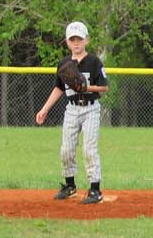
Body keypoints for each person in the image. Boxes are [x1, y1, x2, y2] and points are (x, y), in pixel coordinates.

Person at [36, 21, 109, 204]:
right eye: (72, 39)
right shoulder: (64, 64)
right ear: (67, 42)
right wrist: (44, 109)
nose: (76, 43)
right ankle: (70, 186)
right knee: (66, 150)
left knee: (89, 149)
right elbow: (59, 88)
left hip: (91, 108)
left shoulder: (94, 62)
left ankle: (95, 190)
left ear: (87, 40)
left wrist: (85, 87)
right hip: (72, 109)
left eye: (79, 39)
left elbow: (104, 87)